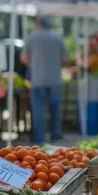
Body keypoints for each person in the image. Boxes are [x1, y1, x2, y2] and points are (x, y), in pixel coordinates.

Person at [21, 16, 66, 144]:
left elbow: (24, 58)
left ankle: (40, 141)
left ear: (38, 24)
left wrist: (33, 65)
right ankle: (56, 137)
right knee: (55, 110)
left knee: (38, 112)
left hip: (38, 80)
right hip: (56, 80)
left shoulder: (31, 37)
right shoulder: (58, 37)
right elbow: (64, 59)